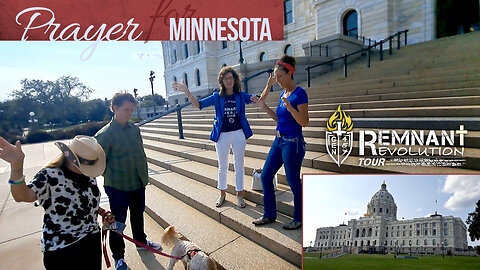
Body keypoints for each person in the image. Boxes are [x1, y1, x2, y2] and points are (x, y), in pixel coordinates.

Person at [0, 135, 115, 270]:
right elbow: (22, 195)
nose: (88, 167)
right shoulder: (50, 175)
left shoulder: (88, 174)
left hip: (91, 240)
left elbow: (84, 202)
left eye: (91, 164)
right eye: (84, 163)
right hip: (63, 248)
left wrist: (102, 212)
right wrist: (17, 166)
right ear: (70, 157)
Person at [172, 67, 258, 208]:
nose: (229, 81)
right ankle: (222, 193)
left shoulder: (241, 95)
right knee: (222, 166)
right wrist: (187, 91)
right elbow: (197, 105)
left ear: (234, 80)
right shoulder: (217, 97)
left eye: (231, 78)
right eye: (226, 78)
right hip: (222, 135)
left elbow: (257, 100)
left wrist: (268, 86)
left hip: (238, 133)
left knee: (239, 165)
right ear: (222, 81)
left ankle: (239, 195)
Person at [95, 93, 162, 270]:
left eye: (132, 110)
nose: (130, 113)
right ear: (115, 108)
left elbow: (140, 153)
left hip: (137, 182)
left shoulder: (134, 129)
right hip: (117, 186)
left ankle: (141, 241)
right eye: (127, 110)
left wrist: (143, 176)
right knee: (117, 223)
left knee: (138, 215)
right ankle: (119, 257)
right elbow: (97, 164)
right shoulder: (104, 135)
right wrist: (111, 175)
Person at [252, 55, 309, 230]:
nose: (277, 80)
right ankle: (269, 214)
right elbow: (279, 119)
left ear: (290, 73)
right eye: (275, 77)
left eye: (280, 76)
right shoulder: (284, 94)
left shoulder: (300, 93)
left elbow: (304, 122)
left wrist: (291, 108)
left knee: (293, 181)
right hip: (279, 140)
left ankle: (299, 218)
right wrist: (265, 107)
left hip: (293, 143)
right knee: (266, 175)